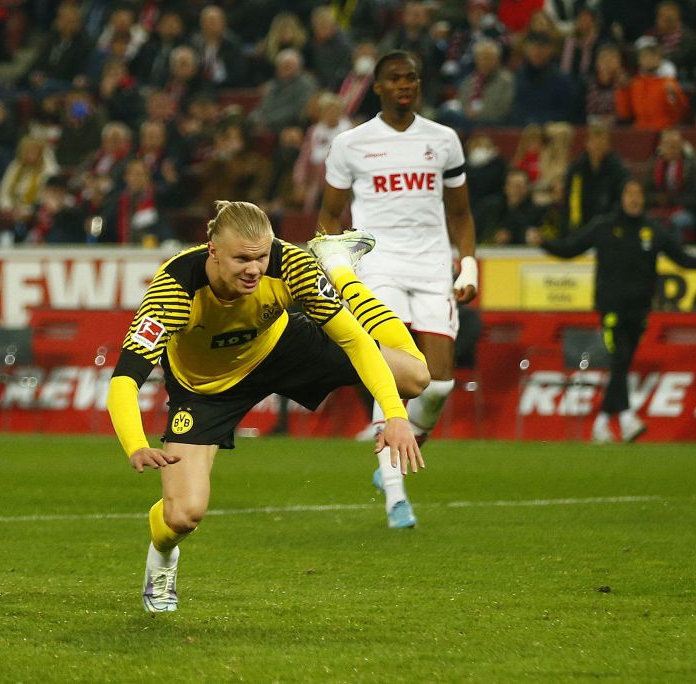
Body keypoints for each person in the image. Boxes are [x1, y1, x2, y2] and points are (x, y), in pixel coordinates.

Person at [107, 201, 430, 613]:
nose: (254, 269)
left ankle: (339, 268)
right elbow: (123, 380)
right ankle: (163, 560)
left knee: (416, 376)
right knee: (183, 516)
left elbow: (354, 339)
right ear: (212, 251)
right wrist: (135, 444)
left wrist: (396, 416)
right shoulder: (173, 289)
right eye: (242, 258)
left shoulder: (290, 263)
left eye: (261, 257)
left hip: (281, 347)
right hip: (205, 389)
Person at [316, 50, 478, 528]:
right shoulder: (351, 144)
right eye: (395, 78)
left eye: (412, 77)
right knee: (389, 368)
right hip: (377, 266)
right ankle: (394, 494)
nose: (405, 84)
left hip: (432, 268)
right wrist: (333, 263)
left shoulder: (443, 140)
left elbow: (462, 213)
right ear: (379, 87)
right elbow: (329, 214)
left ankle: (396, 450)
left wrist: (467, 265)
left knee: (440, 382)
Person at [541, 179, 696, 444]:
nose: (634, 199)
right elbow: (571, 248)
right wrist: (544, 243)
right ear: (621, 198)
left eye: (639, 194)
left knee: (624, 363)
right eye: (630, 193)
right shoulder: (603, 227)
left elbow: (682, 259)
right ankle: (627, 417)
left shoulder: (653, 231)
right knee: (619, 359)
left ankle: (603, 422)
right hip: (611, 309)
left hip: (639, 310)